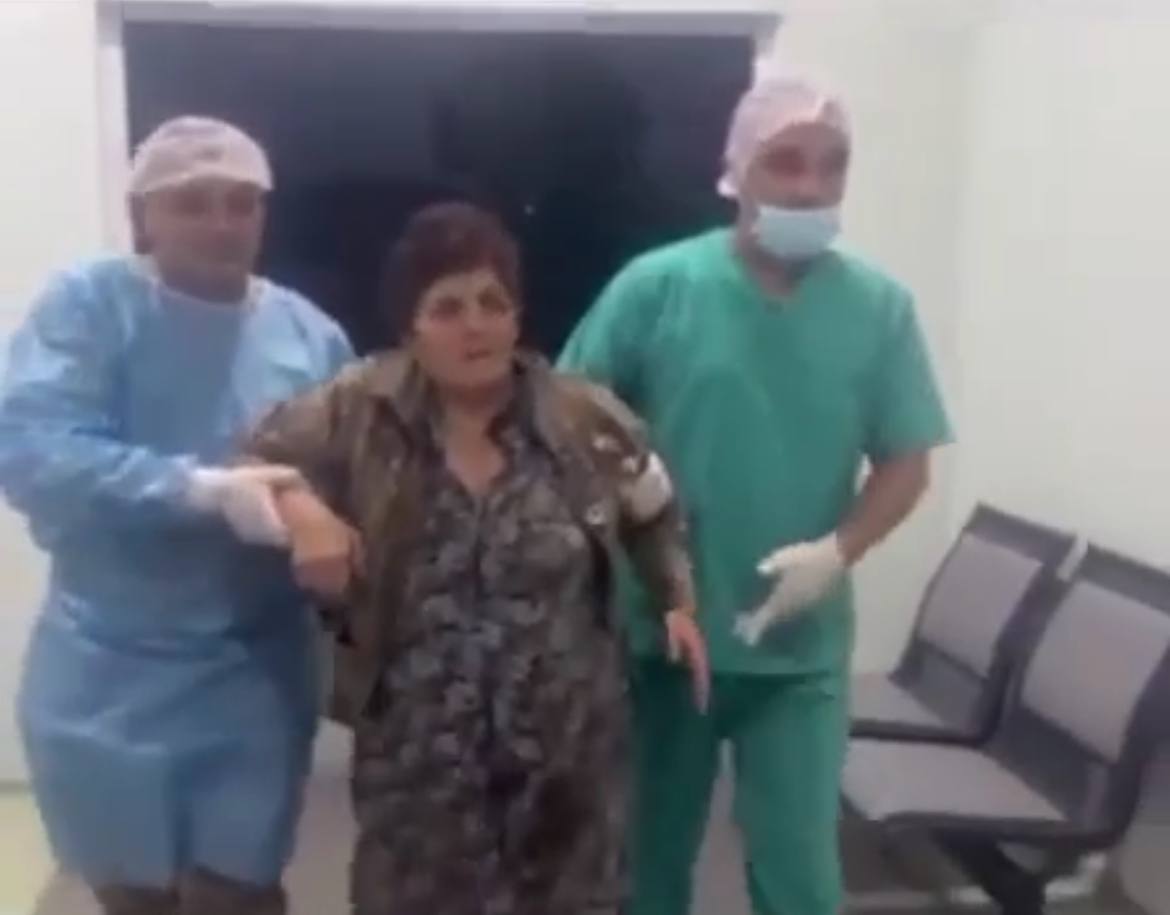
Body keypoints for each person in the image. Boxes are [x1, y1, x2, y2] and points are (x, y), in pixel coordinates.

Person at [557, 68, 953, 915]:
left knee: (801, 876)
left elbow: (907, 461)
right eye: (786, 162)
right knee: (646, 865)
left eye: (832, 164)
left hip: (797, 651)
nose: (810, 186)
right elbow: (568, 420)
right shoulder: (657, 288)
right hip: (663, 638)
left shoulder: (878, 309)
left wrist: (838, 551)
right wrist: (625, 519)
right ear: (737, 171)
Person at [243, 201, 709, 915]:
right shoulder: (357, 410)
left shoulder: (585, 418)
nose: (476, 325)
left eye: (493, 303)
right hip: (416, 762)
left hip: (567, 758)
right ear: (410, 330)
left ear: (517, 316)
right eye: (448, 308)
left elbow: (653, 508)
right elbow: (252, 466)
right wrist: (305, 511)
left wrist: (676, 599)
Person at [0, 117, 353, 915]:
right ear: (144, 216)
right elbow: (31, 451)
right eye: (193, 202)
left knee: (240, 890)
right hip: (104, 669)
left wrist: (316, 516)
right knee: (134, 893)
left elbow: (353, 473)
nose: (222, 223)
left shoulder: (308, 335)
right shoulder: (90, 307)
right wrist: (197, 489)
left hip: (252, 673)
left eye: (241, 202)